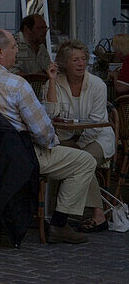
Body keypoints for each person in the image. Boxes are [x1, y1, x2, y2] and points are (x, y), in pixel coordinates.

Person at [0, 29, 98, 244]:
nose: (17, 51)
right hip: (14, 160)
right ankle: (58, 224)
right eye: (13, 47)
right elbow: (43, 132)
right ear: (0, 52)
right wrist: (52, 143)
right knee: (84, 161)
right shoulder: (16, 84)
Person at [43, 39, 114, 232]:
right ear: (65, 63)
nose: (81, 63)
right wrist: (50, 81)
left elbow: (97, 123)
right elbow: (50, 114)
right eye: (75, 60)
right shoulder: (56, 83)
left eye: (83, 59)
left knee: (84, 160)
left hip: (97, 136)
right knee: (77, 160)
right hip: (66, 137)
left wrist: (80, 148)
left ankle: (98, 215)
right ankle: (60, 214)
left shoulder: (97, 85)